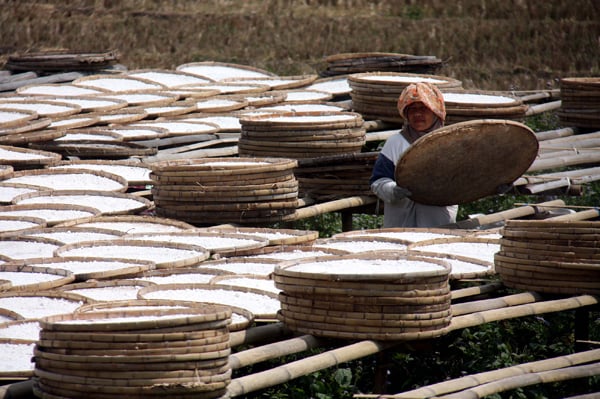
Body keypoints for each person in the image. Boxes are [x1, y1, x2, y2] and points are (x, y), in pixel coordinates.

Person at [370, 82, 458, 228]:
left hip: (438, 223)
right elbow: (378, 181)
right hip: (400, 224)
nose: (417, 114)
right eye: (412, 109)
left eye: (424, 108)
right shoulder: (396, 142)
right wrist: (393, 190)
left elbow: (466, 179)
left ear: (436, 111)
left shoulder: (449, 143)